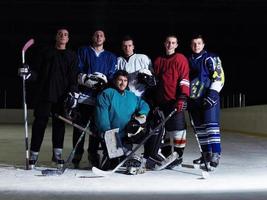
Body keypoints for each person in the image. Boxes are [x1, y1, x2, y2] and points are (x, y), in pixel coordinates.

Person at [18, 28, 79, 169]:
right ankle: (33, 156)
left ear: (68, 39)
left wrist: (73, 93)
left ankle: (57, 156)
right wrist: (27, 74)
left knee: (59, 126)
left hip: (61, 97)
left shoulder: (71, 56)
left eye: (65, 34)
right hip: (44, 95)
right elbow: (36, 73)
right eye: (60, 34)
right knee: (39, 124)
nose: (63, 36)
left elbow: (73, 78)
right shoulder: (45, 52)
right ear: (56, 37)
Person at [72, 29, 117, 168]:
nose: (99, 37)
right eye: (96, 35)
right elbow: (77, 70)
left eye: (101, 35)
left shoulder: (111, 56)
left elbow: (112, 76)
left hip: (100, 100)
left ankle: (93, 154)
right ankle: (77, 155)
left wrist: (104, 83)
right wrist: (84, 79)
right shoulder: (83, 51)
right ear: (93, 37)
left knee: (96, 130)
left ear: (105, 38)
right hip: (84, 98)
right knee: (79, 128)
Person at [95, 69, 150, 170]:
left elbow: (144, 105)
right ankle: (115, 158)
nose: (122, 83)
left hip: (126, 136)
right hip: (110, 135)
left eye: (125, 80)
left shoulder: (131, 96)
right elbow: (102, 118)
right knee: (113, 164)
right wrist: (108, 134)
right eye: (120, 80)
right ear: (115, 81)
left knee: (152, 129)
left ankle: (149, 158)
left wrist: (142, 115)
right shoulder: (107, 94)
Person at [148, 34, 190, 168]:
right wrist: (154, 100)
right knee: (164, 131)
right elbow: (155, 82)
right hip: (162, 102)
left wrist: (183, 96)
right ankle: (167, 156)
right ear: (164, 44)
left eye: (173, 43)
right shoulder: (159, 60)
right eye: (168, 42)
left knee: (177, 129)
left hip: (175, 101)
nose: (170, 45)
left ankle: (178, 156)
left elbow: (184, 78)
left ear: (176, 45)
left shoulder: (180, 59)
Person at [188, 34, 225, 168]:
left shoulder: (210, 57)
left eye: (199, 43)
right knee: (199, 128)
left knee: (211, 126)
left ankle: (216, 153)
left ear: (203, 45)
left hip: (208, 98)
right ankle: (206, 154)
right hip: (194, 100)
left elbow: (219, 76)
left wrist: (213, 93)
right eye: (194, 43)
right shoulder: (189, 59)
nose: (196, 46)